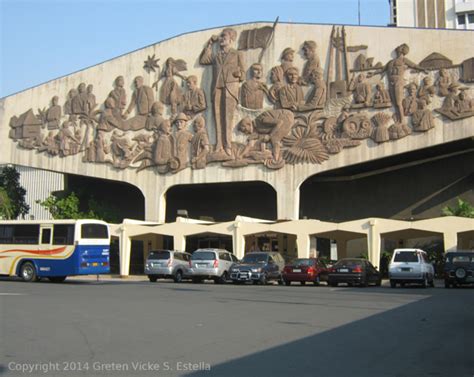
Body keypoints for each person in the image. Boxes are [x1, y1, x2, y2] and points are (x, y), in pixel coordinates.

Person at [200, 28, 245, 156]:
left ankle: (228, 145)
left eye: (223, 36)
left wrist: (239, 74)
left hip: (230, 88)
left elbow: (243, 74)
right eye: (220, 36)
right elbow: (203, 60)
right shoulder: (217, 55)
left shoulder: (237, 54)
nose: (221, 38)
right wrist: (209, 44)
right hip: (217, 87)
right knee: (217, 117)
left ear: (231, 38)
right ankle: (219, 144)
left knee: (228, 118)